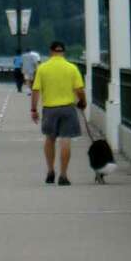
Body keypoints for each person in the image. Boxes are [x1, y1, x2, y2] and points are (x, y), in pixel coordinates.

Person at [30, 40, 86, 185]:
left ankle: (50, 171)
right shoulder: (72, 68)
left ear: (51, 51)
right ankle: (63, 175)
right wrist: (82, 101)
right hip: (68, 108)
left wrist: (34, 109)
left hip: (49, 109)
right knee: (65, 140)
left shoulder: (43, 68)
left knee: (50, 139)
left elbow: (36, 90)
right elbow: (79, 89)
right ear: (63, 52)